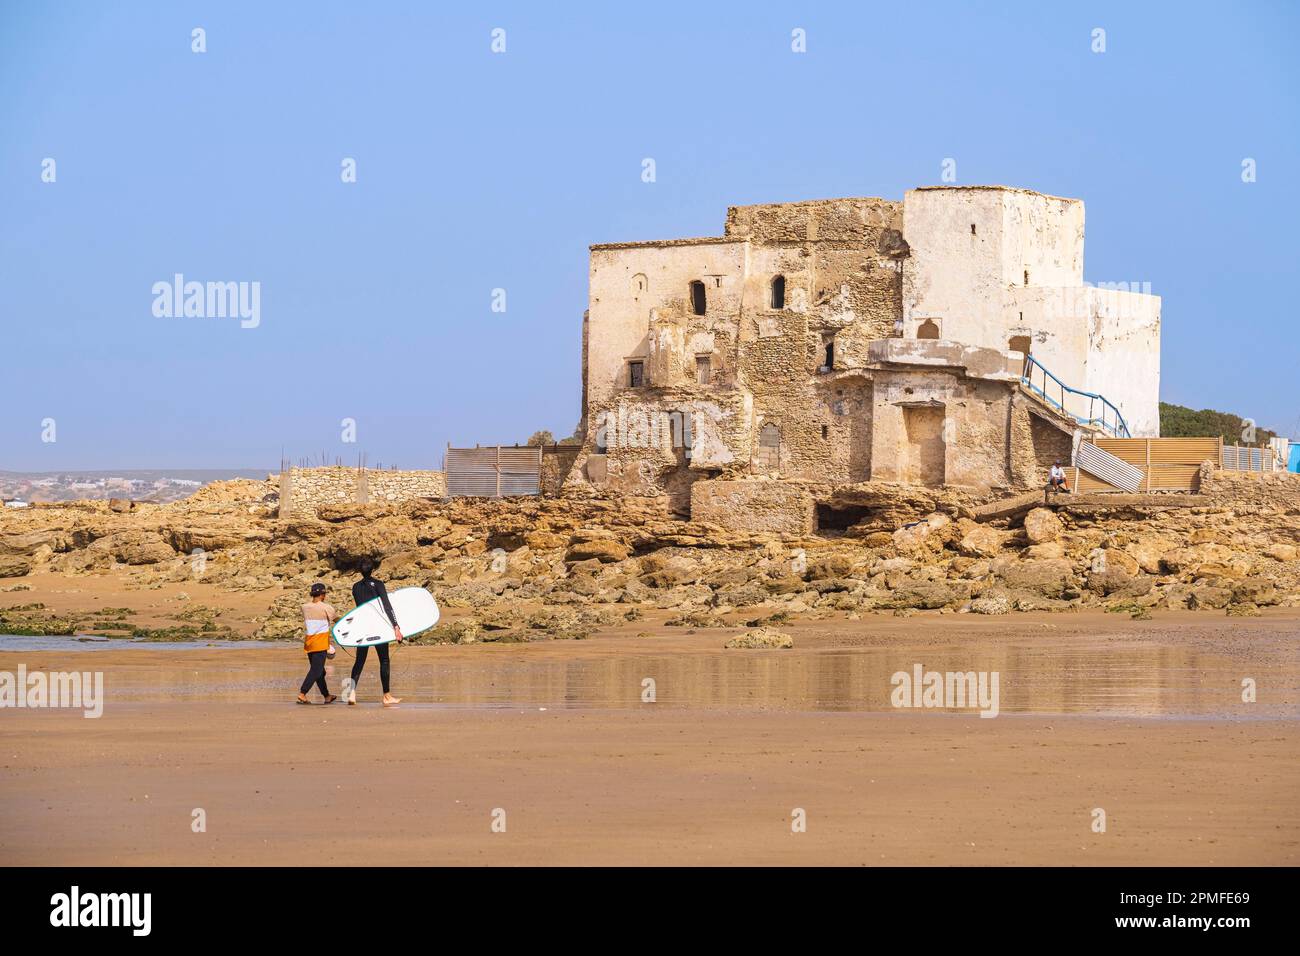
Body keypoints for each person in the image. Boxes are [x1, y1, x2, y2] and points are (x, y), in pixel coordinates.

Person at [344, 558, 403, 706]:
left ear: (360, 570)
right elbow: (387, 606)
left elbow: (361, 608)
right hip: (377, 627)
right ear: (372, 569)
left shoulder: (355, 587)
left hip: (362, 627)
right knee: (384, 660)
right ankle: (386, 696)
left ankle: (351, 694)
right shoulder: (378, 584)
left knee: (359, 660)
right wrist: (396, 626)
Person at [297, 582, 338, 705]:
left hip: (309, 642)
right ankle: (302, 693)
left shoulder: (304, 607)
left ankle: (327, 696)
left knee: (320, 672)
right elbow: (337, 620)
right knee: (316, 670)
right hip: (320, 642)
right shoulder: (326, 607)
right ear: (322, 595)